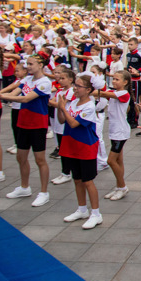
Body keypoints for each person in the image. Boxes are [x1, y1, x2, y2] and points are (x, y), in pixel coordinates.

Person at [0, 53, 51, 207]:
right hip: (23, 122)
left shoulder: (45, 82)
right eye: (27, 64)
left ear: (41, 65)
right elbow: (14, 93)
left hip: (38, 124)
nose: (28, 67)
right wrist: (0, 94)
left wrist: (0, 96)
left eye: (31, 64)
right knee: (21, 157)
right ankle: (25, 187)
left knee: (40, 159)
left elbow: (25, 98)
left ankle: (44, 192)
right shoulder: (27, 79)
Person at [56, 74, 103, 230]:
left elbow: (74, 123)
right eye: (75, 85)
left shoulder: (89, 106)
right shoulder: (74, 102)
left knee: (87, 180)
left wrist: (62, 107)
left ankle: (96, 213)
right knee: (77, 179)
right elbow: (62, 120)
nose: (75, 88)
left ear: (88, 89)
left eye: (79, 86)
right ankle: (82, 209)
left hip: (85, 146)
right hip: (71, 145)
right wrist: (60, 107)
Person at [94, 70, 132, 201]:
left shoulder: (124, 93)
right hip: (115, 131)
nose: (114, 81)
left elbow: (104, 93)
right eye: (113, 79)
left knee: (110, 161)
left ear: (125, 82)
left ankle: (122, 187)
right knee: (118, 161)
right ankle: (119, 186)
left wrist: (91, 89)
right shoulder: (115, 93)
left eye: (117, 79)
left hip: (120, 132)